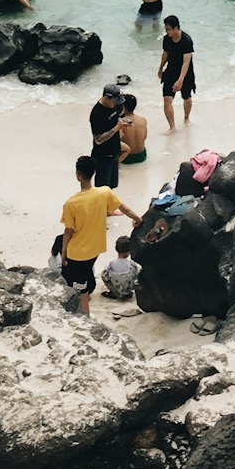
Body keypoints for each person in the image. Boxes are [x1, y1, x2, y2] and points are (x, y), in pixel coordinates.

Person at [59, 156, 141, 316]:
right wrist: (138, 219)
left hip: (77, 253)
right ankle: (85, 302)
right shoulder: (105, 192)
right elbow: (124, 209)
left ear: (78, 175)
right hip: (95, 249)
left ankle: (84, 315)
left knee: (79, 287)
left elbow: (68, 231)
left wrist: (63, 253)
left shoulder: (71, 203)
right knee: (86, 276)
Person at [158, 15, 195, 127]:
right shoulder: (167, 39)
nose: (167, 31)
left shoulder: (186, 40)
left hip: (185, 74)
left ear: (176, 28)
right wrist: (160, 68)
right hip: (170, 71)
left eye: (168, 29)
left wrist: (180, 80)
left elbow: (186, 62)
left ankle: (186, 118)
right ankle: (172, 126)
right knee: (167, 100)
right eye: (166, 29)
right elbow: (166, 54)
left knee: (186, 97)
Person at [88, 83, 125, 188]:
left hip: (115, 152)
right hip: (102, 157)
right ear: (106, 98)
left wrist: (123, 122)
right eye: (114, 101)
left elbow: (118, 116)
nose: (116, 104)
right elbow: (98, 139)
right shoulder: (97, 113)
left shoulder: (115, 105)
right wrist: (117, 128)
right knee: (102, 189)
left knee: (112, 187)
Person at [118, 92, 147, 164]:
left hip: (126, 157)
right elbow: (145, 137)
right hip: (141, 156)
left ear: (123, 107)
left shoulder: (121, 122)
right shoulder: (143, 120)